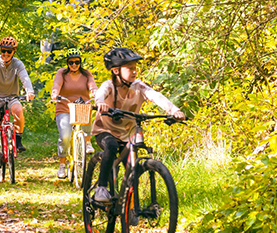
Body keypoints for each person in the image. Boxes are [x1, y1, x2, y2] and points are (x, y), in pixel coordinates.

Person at [91, 47, 186, 204]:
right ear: (116, 71)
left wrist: (174, 110)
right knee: (111, 145)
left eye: (135, 68)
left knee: (131, 166)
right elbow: (100, 93)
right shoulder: (109, 86)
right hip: (105, 130)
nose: (134, 72)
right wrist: (100, 102)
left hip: (127, 133)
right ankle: (101, 188)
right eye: (130, 68)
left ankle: (130, 206)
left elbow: (156, 96)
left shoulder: (139, 86)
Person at [0, 36, 35, 173]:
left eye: (9, 51)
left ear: (14, 51)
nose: (5, 54)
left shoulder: (18, 64)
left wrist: (29, 91)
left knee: (18, 109)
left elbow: (25, 78)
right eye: (3, 51)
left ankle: (18, 138)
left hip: (11, 97)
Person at [50, 48, 97, 179]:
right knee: (65, 136)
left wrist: (95, 94)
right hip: (64, 107)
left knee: (88, 108)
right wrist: (55, 94)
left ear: (80, 62)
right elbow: (56, 85)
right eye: (71, 62)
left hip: (80, 106)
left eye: (77, 62)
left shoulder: (86, 74)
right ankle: (62, 165)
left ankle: (87, 142)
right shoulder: (62, 73)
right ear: (67, 63)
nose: (74, 65)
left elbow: (92, 86)